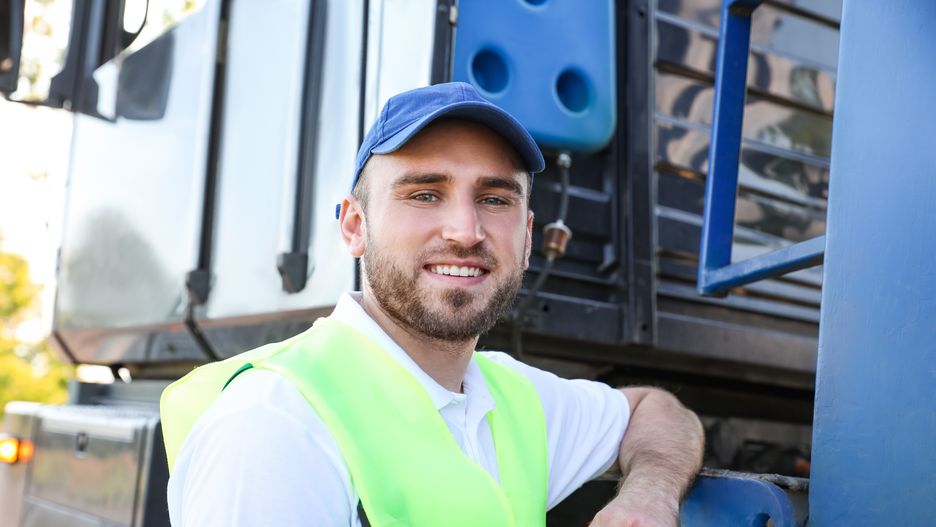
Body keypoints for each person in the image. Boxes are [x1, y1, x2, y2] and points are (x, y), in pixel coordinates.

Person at [164, 82, 704, 526]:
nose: (465, 231)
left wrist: (650, 493)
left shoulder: (514, 402)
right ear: (355, 227)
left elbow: (656, 411)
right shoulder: (277, 426)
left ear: (527, 238)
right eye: (424, 194)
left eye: (494, 199)